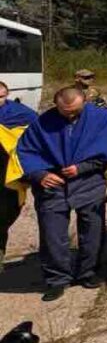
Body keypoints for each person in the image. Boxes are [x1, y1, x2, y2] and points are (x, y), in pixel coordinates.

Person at [18, 87, 107, 301]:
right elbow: (25, 150)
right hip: (52, 183)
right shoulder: (42, 122)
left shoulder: (99, 117)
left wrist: (81, 168)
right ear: (56, 105)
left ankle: (88, 272)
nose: (71, 115)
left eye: (76, 111)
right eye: (65, 112)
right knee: (53, 234)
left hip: (88, 179)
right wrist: (39, 174)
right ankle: (57, 279)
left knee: (92, 230)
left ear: (84, 103)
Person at [0, 84, 37, 273]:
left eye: (1, 96)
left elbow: (36, 133)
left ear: (7, 95)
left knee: (3, 218)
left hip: (6, 174)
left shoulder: (20, 113)